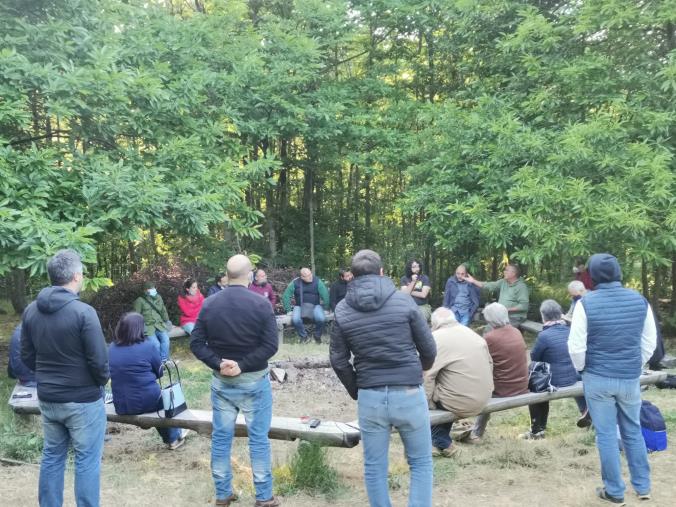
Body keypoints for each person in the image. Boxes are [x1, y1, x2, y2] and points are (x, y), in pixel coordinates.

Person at [331, 249, 437, 507]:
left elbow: (338, 360)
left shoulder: (343, 309)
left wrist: (358, 388)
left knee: (375, 467)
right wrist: (420, 369)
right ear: (381, 272)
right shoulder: (404, 302)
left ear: (351, 276)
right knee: (421, 462)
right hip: (409, 392)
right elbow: (429, 349)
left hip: (371, 396)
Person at [20, 249, 109, 507]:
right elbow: (99, 362)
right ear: (76, 276)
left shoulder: (31, 311)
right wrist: (99, 383)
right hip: (83, 400)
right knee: (87, 460)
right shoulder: (84, 312)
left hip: (48, 398)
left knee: (52, 456)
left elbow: (26, 357)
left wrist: (46, 376)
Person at [191, 254, 280, 507]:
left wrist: (220, 363)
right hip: (253, 380)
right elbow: (271, 346)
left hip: (223, 381)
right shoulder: (261, 304)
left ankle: (222, 494)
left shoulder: (210, 303)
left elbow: (196, 344)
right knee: (258, 439)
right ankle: (264, 497)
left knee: (221, 438)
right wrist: (241, 365)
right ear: (250, 274)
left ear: (227, 275)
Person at [568, 253, 656, 504]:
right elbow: (650, 341)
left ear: (592, 276)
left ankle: (615, 492)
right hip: (629, 377)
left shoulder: (586, 303)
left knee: (606, 435)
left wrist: (585, 369)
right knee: (633, 431)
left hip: (598, 377)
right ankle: (643, 487)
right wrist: (635, 364)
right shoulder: (639, 300)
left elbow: (575, 347)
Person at [109, 312, 188, 449]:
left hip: (122, 404)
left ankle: (173, 436)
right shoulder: (148, 346)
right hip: (148, 402)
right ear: (140, 328)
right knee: (170, 399)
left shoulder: (111, 348)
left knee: (156, 400)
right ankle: (173, 437)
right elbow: (160, 372)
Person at [424, 308, 493, 457]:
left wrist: (427, 403)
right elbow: (490, 364)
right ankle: (438, 441)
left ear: (434, 324)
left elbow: (427, 376)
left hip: (460, 401)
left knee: (431, 394)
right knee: (448, 385)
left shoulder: (436, 338)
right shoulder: (473, 334)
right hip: (483, 397)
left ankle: (441, 441)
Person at [521, 300, 589, 440]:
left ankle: (537, 430)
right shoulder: (570, 331)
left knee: (535, 386)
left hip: (554, 380)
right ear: (560, 314)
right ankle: (587, 413)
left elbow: (534, 357)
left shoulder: (544, 336)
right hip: (573, 376)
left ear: (543, 316)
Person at [469, 303, 528, 441]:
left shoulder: (490, 338)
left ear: (490, 319)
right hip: (521, 385)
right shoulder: (516, 331)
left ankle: (476, 432)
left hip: (502, 389)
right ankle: (476, 431)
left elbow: (478, 362)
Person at [465, 264, 529, 325]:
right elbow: (488, 285)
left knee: (498, 329)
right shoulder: (503, 282)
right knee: (490, 328)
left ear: (514, 273)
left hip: (515, 317)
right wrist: (473, 281)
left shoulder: (521, 287)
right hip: (503, 315)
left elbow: (524, 306)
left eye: (506, 270)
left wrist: (506, 309)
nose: (504, 272)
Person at [282, 267, 330, 343]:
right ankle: (304, 337)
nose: (310, 276)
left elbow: (325, 295)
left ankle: (317, 336)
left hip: (315, 305)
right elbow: (286, 296)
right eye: (307, 275)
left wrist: (326, 308)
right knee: (295, 319)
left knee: (321, 319)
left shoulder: (317, 281)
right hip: (299, 306)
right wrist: (288, 310)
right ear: (302, 277)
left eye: (310, 274)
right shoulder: (295, 283)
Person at [133, 281, 171, 361]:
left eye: (154, 288)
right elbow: (136, 316)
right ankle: (158, 362)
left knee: (166, 340)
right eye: (150, 288)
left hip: (159, 325)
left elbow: (163, 310)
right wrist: (140, 329)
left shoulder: (158, 297)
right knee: (155, 344)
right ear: (145, 290)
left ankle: (164, 360)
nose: (153, 290)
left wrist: (167, 321)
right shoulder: (139, 300)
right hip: (148, 327)